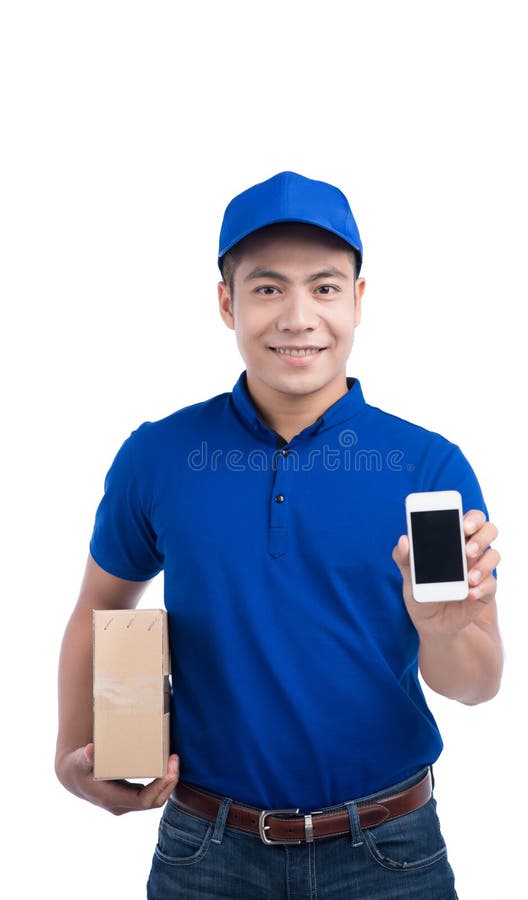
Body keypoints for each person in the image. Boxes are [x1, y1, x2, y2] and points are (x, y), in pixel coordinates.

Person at [55, 171, 503, 899]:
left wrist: (441, 630)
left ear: (358, 300)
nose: (298, 318)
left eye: (324, 287)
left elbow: (476, 684)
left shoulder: (426, 466)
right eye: (267, 289)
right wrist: (70, 754)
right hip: (207, 852)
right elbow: (97, 608)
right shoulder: (158, 455)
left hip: (390, 852)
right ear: (226, 301)